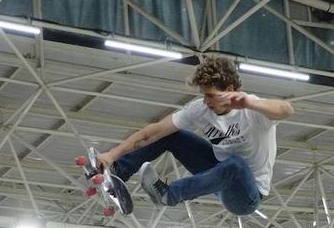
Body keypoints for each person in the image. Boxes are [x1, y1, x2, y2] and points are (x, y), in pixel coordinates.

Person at [97, 56, 292, 216]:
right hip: (216, 171)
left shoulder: (252, 109)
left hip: (246, 196)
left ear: (230, 90)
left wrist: (250, 104)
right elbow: (153, 132)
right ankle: (118, 171)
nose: (206, 102)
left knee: (235, 164)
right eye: (203, 95)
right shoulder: (199, 109)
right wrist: (112, 154)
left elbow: (286, 110)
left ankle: (168, 195)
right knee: (172, 135)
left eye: (211, 95)